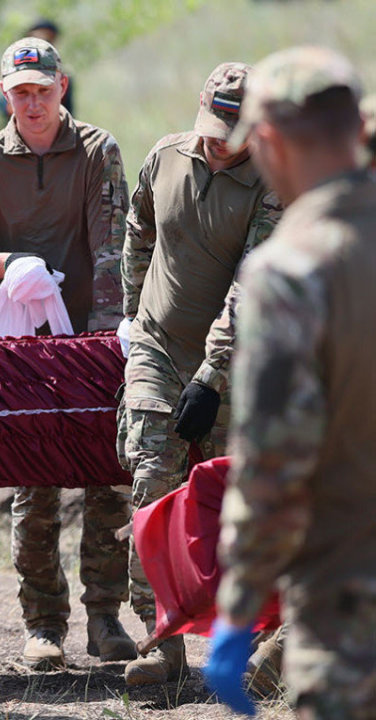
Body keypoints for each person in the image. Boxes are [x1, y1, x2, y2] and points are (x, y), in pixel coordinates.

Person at [0, 37, 134, 671]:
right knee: (36, 483)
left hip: (92, 340)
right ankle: (43, 623)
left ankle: (105, 617)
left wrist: (102, 345)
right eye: (20, 92)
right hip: (22, 352)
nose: (32, 103)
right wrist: (2, 263)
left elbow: (113, 251)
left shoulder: (98, 152)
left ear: (62, 88)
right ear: (5, 93)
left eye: (42, 91)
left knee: (106, 481)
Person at [203, 46, 376, 719]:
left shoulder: (293, 269)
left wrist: (241, 602)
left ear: (268, 141)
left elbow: (275, 459)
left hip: (349, 599)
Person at [119, 61, 282, 686]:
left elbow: (252, 286)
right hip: (159, 351)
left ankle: (262, 636)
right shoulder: (164, 158)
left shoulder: (274, 182)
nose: (218, 141)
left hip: (239, 363)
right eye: (212, 124)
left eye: (232, 130)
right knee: (151, 480)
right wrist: (134, 319)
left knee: (234, 499)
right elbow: (139, 231)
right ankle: (160, 643)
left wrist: (212, 374)